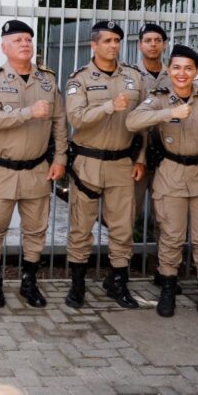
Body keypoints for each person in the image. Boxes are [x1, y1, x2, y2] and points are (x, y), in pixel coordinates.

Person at [126, 44, 198, 321]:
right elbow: (132, 121)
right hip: (170, 174)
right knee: (171, 237)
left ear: (197, 72)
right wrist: (168, 114)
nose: (182, 73)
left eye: (188, 68)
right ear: (169, 70)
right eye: (176, 68)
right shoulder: (159, 98)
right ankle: (168, 289)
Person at [0, 20, 67, 308]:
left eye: (28, 39)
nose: (25, 44)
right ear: (4, 47)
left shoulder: (48, 80)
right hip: (2, 170)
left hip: (38, 169)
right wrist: (28, 112)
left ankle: (30, 282)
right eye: (17, 40)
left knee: (35, 230)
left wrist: (61, 159)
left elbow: (60, 123)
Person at [63, 20, 146, 310]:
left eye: (117, 40)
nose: (113, 45)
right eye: (107, 40)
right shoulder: (79, 79)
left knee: (122, 226)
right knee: (81, 225)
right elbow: (77, 119)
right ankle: (77, 283)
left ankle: (117, 281)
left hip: (122, 162)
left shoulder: (134, 78)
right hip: (88, 161)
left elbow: (144, 122)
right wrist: (110, 106)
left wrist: (141, 158)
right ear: (94, 45)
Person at [132, 23, 171, 289]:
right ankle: (121, 268)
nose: (153, 44)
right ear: (140, 45)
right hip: (135, 155)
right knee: (127, 213)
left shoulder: (176, 73)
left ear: (164, 44)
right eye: (148, 40)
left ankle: (163, 269)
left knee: (165, 216)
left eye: (158, 40)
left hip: (168, 155)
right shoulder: (130, 75)